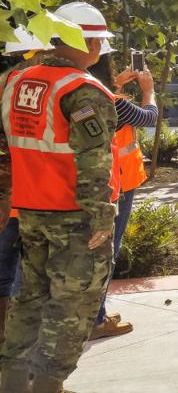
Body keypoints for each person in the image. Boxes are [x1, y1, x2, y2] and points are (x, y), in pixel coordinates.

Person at [0, 2, 120, 392]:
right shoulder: (82, 91)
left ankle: (14, 382)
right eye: (98, 40)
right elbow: (94, 160)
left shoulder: (13, 82)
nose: (101, 48)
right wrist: (102, 216)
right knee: (73, 309)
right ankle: (48, 385)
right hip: (75, 219)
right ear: (81, 40)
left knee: (30, 300)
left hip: (31, 212)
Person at [86, 40, 158, 340]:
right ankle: (97, 319)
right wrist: (148, 90)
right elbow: (149, 118)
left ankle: (93, 314)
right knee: (107, 252)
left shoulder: (83, 94)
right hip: (118, 184)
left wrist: (118, 81)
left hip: (95, 184)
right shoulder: (113, 102)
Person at [0, 29, 54, 346]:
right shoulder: (37, 85)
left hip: (10, 193)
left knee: (5, 269)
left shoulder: (6, 82)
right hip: (29, 192)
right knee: (31, 274)